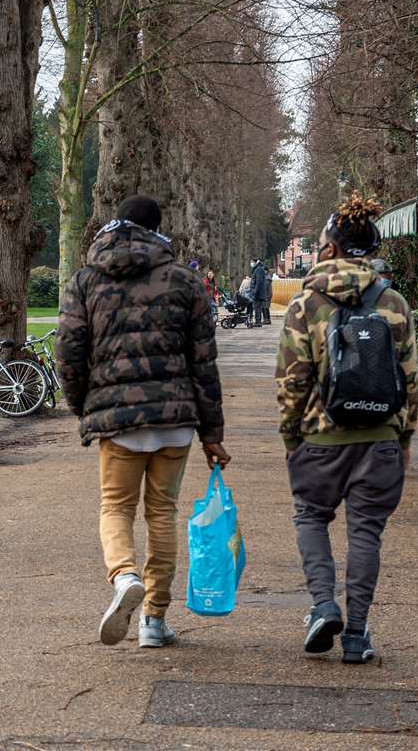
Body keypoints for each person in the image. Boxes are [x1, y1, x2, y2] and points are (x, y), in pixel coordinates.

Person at [58, 194, 228, 650]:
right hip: (175, 419)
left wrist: (84, 408)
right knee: (162, 513)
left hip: (118, 420)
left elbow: (69, 353)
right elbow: (204, 363)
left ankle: (124, 575)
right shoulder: (184, 281)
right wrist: (213, 433)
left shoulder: (86, 280)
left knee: (115, 508)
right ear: (158, 227)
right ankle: (154, 619)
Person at [276, 193, 418, 666]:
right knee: (366, 533)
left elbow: (292, 380)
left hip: (321, 439)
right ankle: (356, 634)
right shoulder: (393, 301)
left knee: (310, 517)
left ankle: (323, 606)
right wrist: (403, 440)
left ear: (332, 248)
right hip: (379, 440)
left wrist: (293, 438)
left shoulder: (306, 304)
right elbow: (410, 379)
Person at [250, 260, 269, 326]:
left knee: (257, 307)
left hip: (258, 293)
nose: (251, 263)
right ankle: (258, 321)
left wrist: (255, 292)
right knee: (257, 307)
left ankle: (258, 321)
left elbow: (258, 282)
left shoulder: (258, 269)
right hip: (258, 292)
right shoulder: (259, 268)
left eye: (252, 262)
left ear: (255, 262)